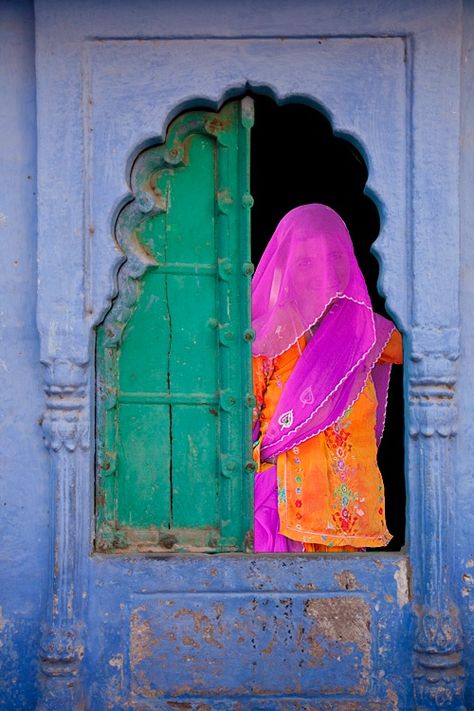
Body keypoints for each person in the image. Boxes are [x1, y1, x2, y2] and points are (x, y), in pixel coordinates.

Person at [251, 204, 403, 553]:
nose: (324, 271)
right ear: (284, 267)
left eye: (335, 256)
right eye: (306, 262)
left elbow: (426, 353)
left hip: (347, 520)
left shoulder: (362, 333)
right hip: (284, 518)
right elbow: (243, 428)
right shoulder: (269, 338)